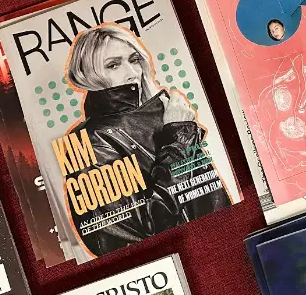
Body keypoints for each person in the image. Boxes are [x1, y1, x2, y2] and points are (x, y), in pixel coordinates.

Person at [65, 24, 231, 257]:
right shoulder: (89, 140)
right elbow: (144, 231)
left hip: (219, 242)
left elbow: (210, 199)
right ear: (88, 76)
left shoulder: (164, 113)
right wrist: (179, 138)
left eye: (134, 60)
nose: (132, 72)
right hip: (175, 258)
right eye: (113, 65)